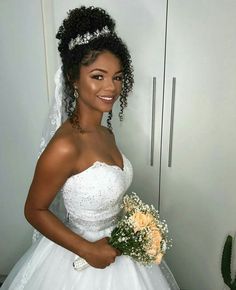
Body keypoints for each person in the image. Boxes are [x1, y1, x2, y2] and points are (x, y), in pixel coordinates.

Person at [2, 6, 180, 289]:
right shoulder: (65, 146)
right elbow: (34, 209)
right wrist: (86, 249)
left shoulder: (106, 133)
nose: (111, 86)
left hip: (118, 250)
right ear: (74, 79)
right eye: (98, 76)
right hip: (80, 259)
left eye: (118, 76)